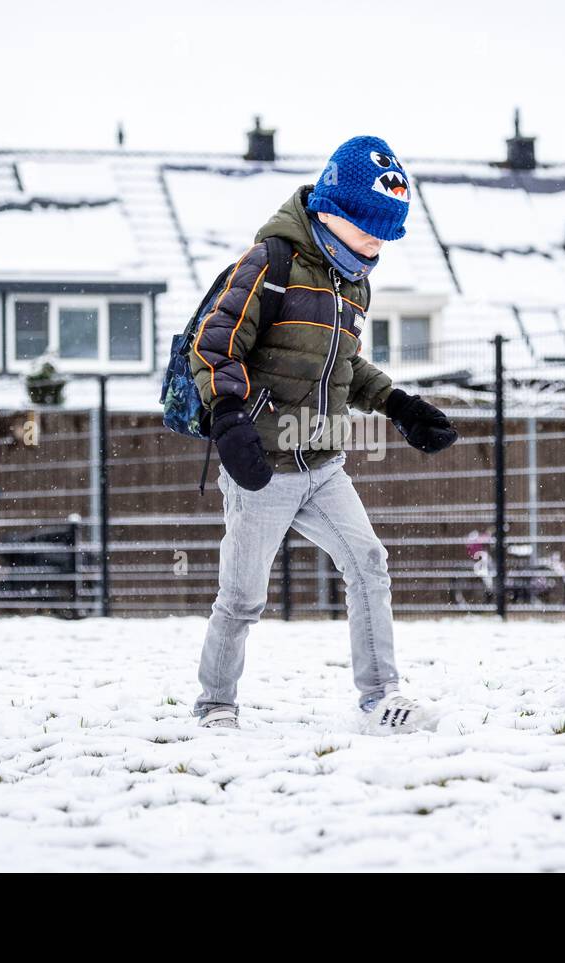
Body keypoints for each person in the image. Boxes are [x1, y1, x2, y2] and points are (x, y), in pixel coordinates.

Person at [189, 135, 457, 733]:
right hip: (263, 463)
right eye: (370, 229)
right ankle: (215, 705)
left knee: (368, 563)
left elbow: (344, 365)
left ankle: (381, 697)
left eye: (388, 234)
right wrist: (228, 419)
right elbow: (215, 344)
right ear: (333, 211)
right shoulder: (270, 264)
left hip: (324, 462)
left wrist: (399, 405)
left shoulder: (352, 282)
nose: (378, 244)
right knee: (242, 596)